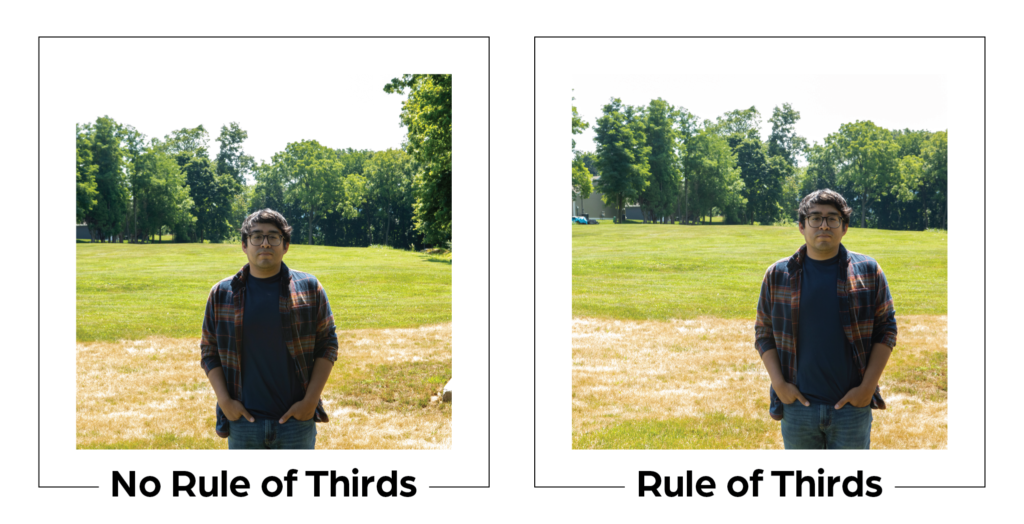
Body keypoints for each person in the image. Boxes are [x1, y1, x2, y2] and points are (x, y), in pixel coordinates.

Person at [754, 189, 897, 449]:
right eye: (815, 218)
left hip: (852, 409)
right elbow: (764, 333)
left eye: (833, 218)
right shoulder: (778, 274)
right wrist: (780, 385)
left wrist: (867, 388)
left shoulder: (868, 270)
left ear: (844, 227)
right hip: (798, 408)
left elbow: (886, 329)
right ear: (801, 225)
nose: (823, 225)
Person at [200, 209, 338, 449]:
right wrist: (225, 401)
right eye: (256, 236)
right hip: (243, 423)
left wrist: (310, 401)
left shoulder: (309, 288)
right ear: (244, 245)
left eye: (273, 237)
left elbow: (327, 344)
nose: (265, 243)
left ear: (285, 246)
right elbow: (209, 351)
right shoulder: (222, 293)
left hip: (296, 423)